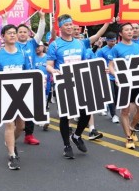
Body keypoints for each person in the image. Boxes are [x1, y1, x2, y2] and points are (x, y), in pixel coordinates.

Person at [47, 15, 111, 158]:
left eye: (71, 24)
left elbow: (85, 64)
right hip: (64, 83)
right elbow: (49, 65)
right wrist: (53, 70)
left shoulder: (80, 44)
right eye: (66, 25)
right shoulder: (55, 45)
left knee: (87, 111)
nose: (70, 27)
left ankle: (77, 136)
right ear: (60, 27)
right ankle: (67, 145)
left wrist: (100, 69)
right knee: (65, 116)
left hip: (80, 82)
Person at [0, 24, 33, 170]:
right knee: (9, 124)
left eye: (14, 33)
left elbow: (29, 73)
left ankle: (10, 142)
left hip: (21, 94)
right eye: (9, 33)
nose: (13, 35)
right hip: (4, 94)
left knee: (20, 126)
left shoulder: (23, 54)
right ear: (3, 36)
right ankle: (12, 155)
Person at [15, 16, 46, 146]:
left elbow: (40, 32)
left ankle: (29, 135)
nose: (22, 34)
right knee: (16, 109)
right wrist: (4, 20)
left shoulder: (32, 44)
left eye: (25, 32)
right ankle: (13, 131)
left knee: (30, 108)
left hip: (30, 79)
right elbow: (6, 32)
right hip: (15, 81)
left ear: (28, 33)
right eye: (20, 32)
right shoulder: (12, 44)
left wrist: (42, 18)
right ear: (16, 34)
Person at [96, 32, 120, 124]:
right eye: (111, 41)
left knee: (118, 96)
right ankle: (114, 115)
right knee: (111, 95)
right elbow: (97, 62)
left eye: (114, 41)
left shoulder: (119, 48)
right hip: (107, 76)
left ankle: (111, 108)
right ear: (106, 41)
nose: (113, 43)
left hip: (118, 75)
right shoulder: (102, 51)